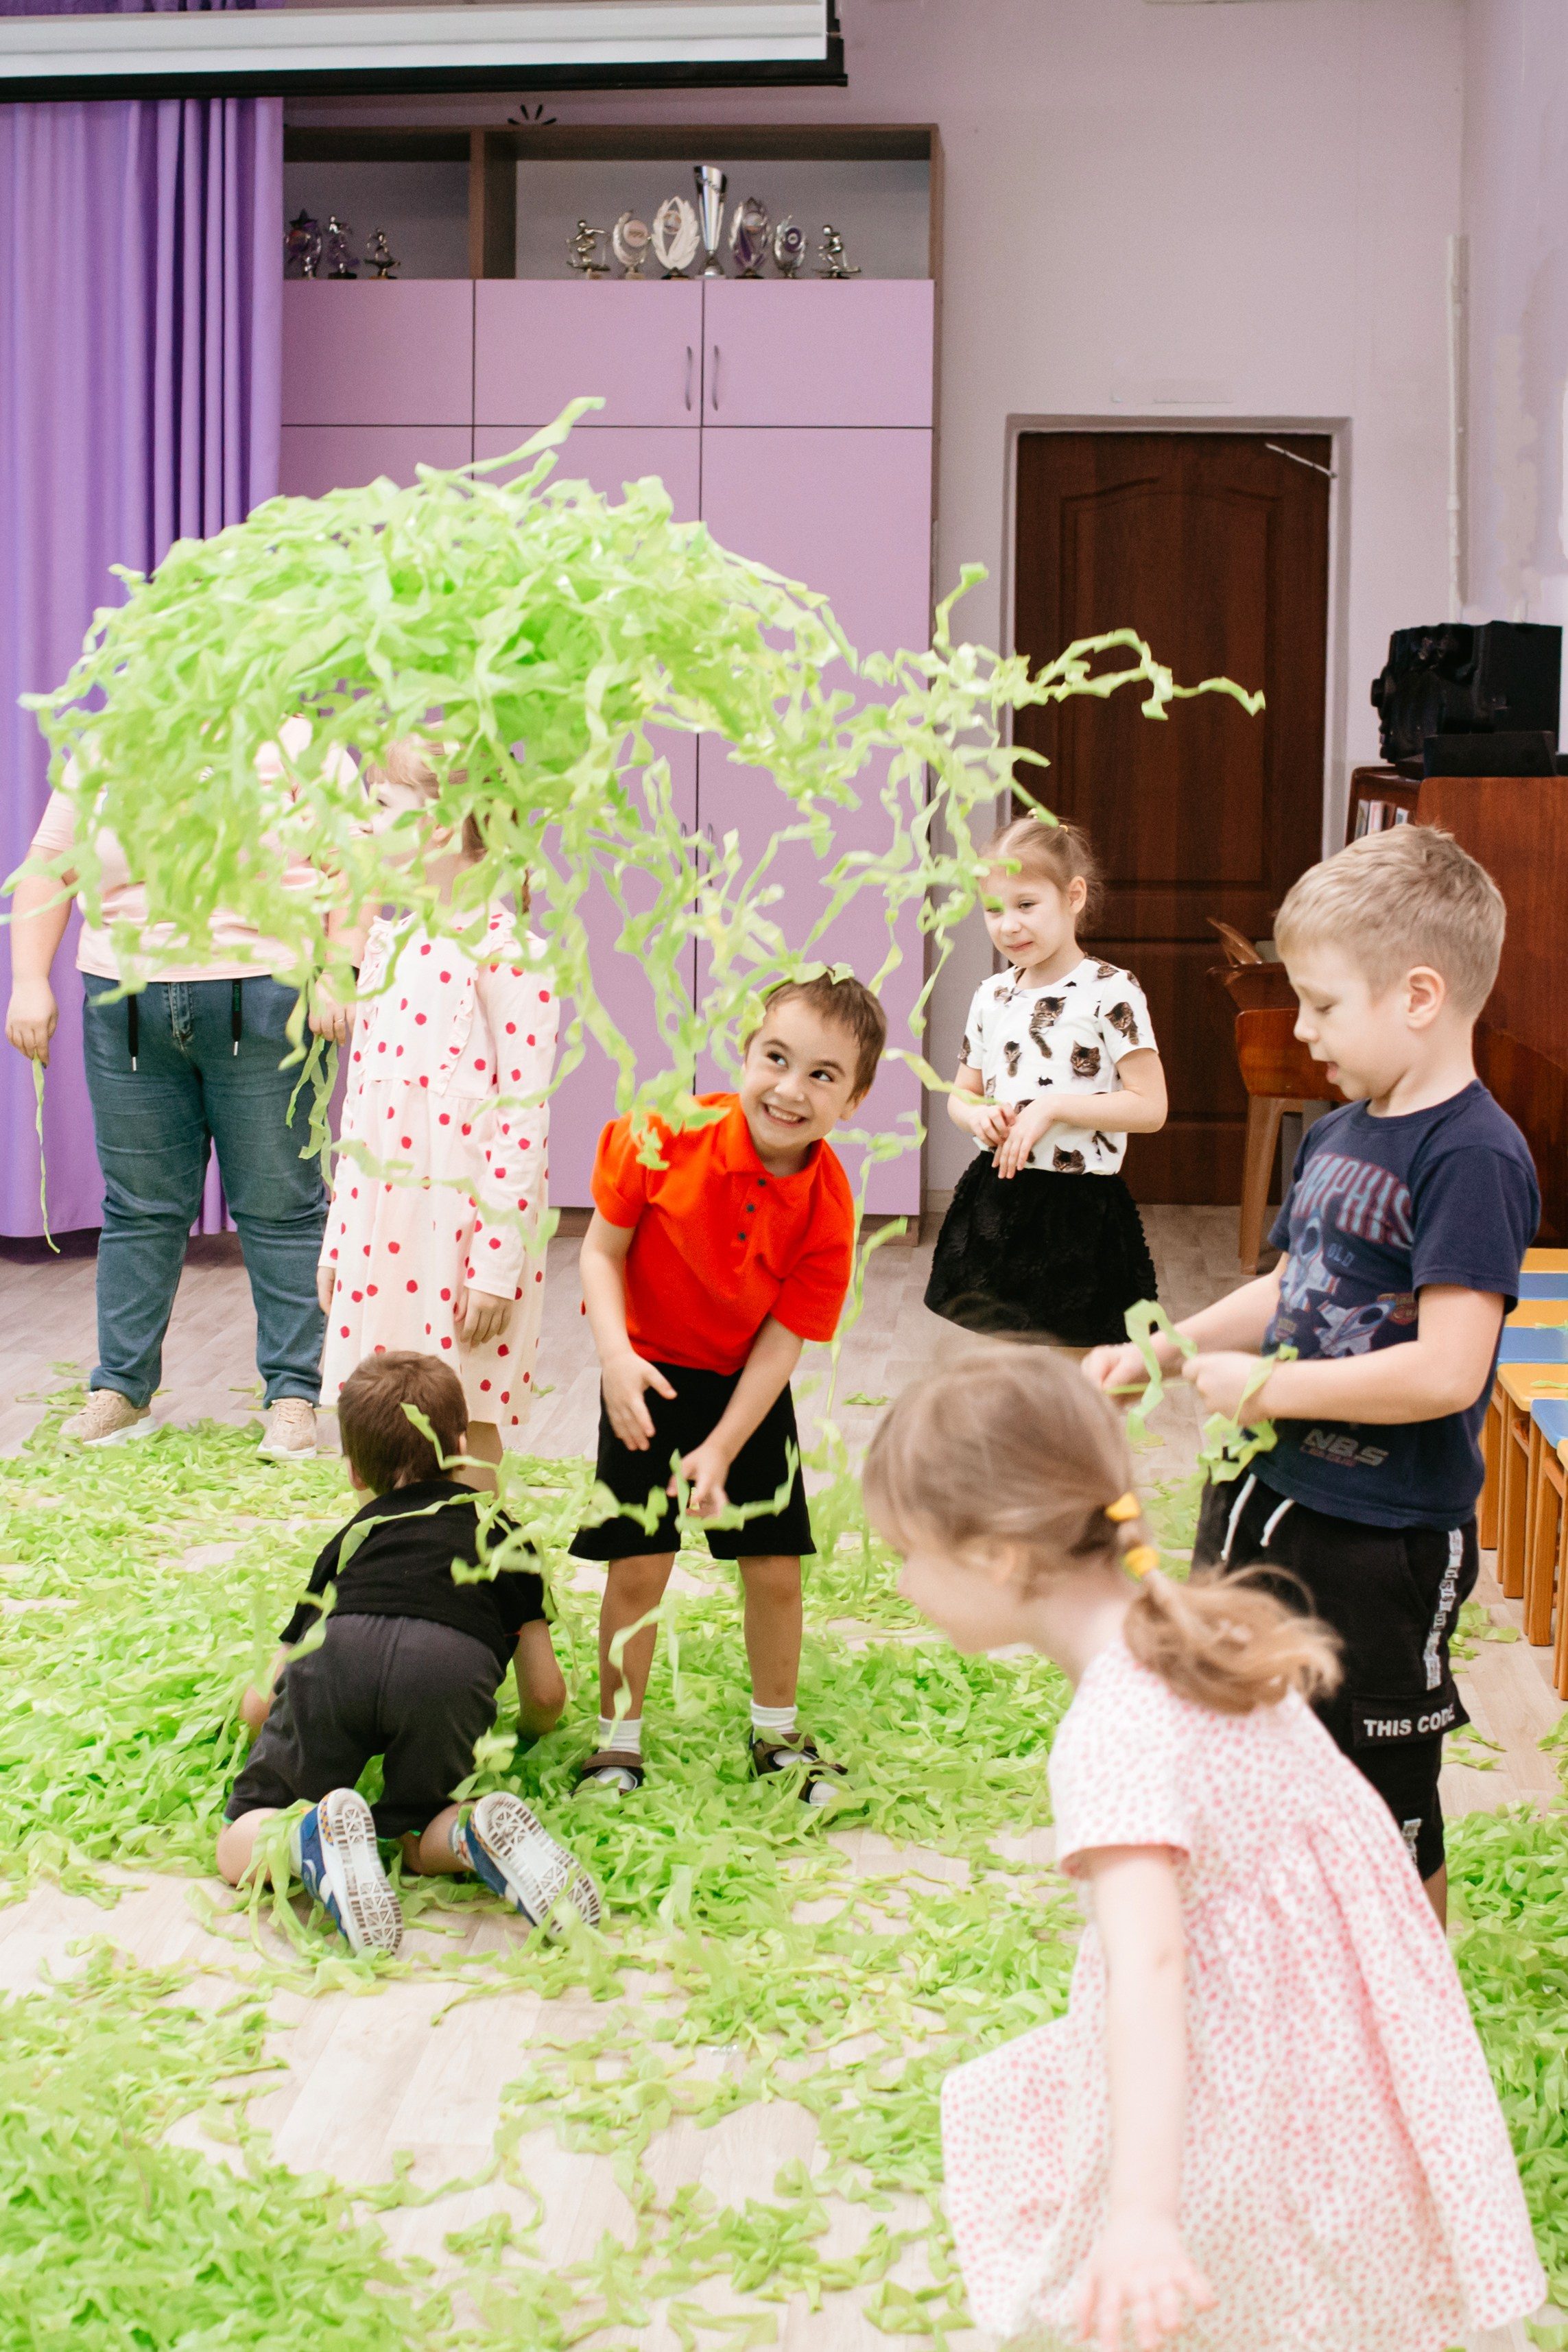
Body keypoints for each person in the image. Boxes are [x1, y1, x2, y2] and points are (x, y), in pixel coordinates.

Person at [863, 1346, 1543, 2352]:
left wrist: (1142, 2216)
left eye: (906, 1553)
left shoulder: (1112, 1729)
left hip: (1253, 2060)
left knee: (1240, 2290)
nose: (901, 1582)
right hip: (1330, 2035)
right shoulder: (1187, 1632)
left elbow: (1150, 1963)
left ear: (999, 1556)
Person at [1084, 825, 1539, 1923]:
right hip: (1266, 1493)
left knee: (1381, 1795)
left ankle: (1408, 2000)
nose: (1301, 1028)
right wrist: (1166, 1348)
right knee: (1237, 1729)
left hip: (1381, 1538)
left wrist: (1268, 1389)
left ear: (1418, 996)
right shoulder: (1337, 1133)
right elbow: (1291, 1287)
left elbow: (1448, 1371)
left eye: (1323, 1004)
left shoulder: (1471, 1157)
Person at [569, 973, 885, 1798]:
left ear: (854, 1100)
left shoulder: (829, 1205)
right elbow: (600, 1251)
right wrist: (614, 1359)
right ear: (745, 1055)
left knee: (776, 1568)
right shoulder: (663, 1134)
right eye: (776, 1059)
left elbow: (785, 1340)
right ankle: (616, 1744)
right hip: (645, 1374)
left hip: (745, 1389)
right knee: (639, 1566)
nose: (790, 1089)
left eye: (822, 1075)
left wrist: (722, 1446)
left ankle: (776, 1735)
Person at [4, 722, 352, 1457]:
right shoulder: (109, 740)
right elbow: (48, 865)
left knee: (282, 1204)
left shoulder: (298, 741)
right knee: (138, 1205)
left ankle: (293, 1395)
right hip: (126, 999)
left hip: (269, 997)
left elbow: (352, 864)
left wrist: (338, 969)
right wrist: (29, 978)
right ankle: (121, 1390)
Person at [217, 1349, 598, 1954]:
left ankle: (305, 1835)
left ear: (354, 1472)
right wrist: (526, 1733)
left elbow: (262, 1700)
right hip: (448, 1667)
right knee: (420, 1838)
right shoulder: (505, 1534)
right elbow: (547, 1696)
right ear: (462, 1448)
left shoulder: (353, 1538)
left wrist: (262, 1720)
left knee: (241, 1836)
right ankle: (472, 1830)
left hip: (339, 1654)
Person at [317, 739, 556, 1483]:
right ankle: (380, 1551)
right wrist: (338, 1239)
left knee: (465, 1418)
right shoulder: (385, 945)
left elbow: (523, 1122)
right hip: (379, 1225)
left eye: (381, 805)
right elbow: (359, 1110)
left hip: (461, 1240)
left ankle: (467, 1556)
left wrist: (496, 1264)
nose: (363, 823)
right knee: (373, 1412)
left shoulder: (511, 955)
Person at [925, 814, 1167, 1346]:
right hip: (998, 1198)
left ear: (1073, 896)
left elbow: (1150, 1107)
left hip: (1080, 1210)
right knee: (1004, 1365)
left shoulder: (1112, 991)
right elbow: (960, 1097)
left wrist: (1052, 1107)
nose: (1008, 925)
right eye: (994, 909)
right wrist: (977, 1116)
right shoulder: (991, 995)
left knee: (1080, 1366)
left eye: (1026, 905)